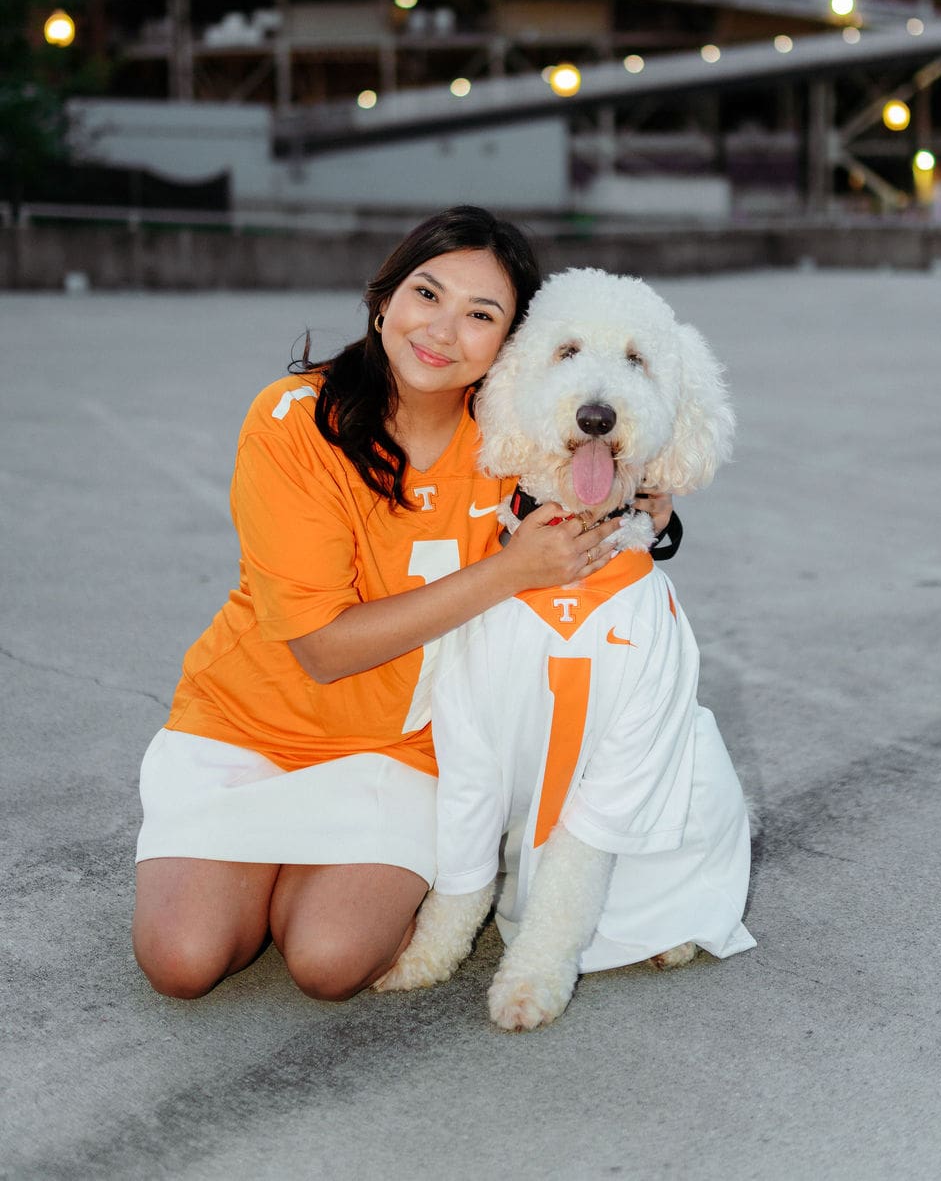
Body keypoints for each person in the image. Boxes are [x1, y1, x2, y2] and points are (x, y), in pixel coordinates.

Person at [132, 206, 628, 1003]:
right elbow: (323, 649)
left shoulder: (511, 434)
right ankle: (261, 863)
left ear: (510, 345)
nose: (442, 330)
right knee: (183, 959)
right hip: (248, 727)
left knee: (329, 962)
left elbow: (615, 459)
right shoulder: (295, 423)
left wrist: (658, 506)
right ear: (385, 297)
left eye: (481, 315)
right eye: (426, 294)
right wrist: (510, 570)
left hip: (406, 749)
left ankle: (328, 876)